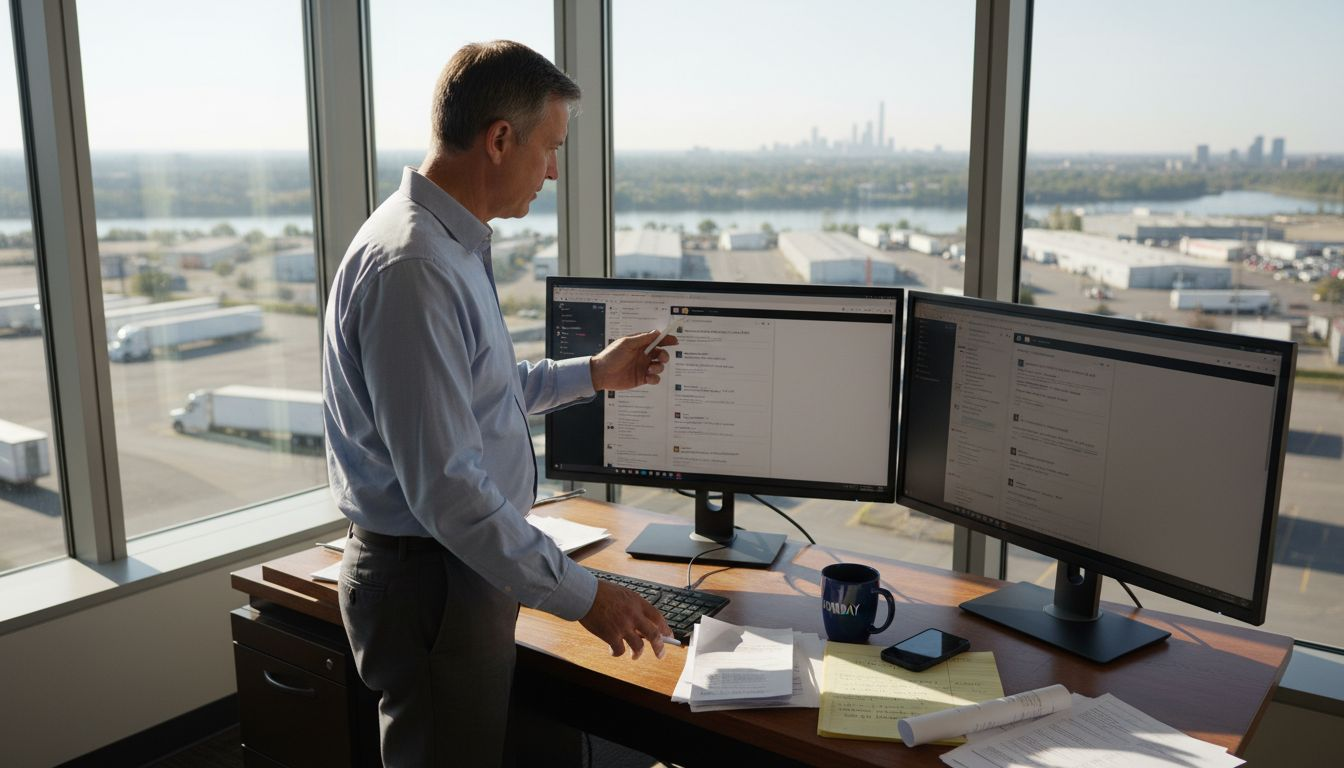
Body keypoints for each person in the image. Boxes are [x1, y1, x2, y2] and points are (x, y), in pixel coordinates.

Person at [322, 40, 673, 767]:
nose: (553, 172)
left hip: (454, 570)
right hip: (433, 579)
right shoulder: (415, 267)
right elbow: (448, 490)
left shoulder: (445, 246)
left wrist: (594, 373)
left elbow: (483, 392)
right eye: (551, 148)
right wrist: (588, 596)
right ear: (500, 139)